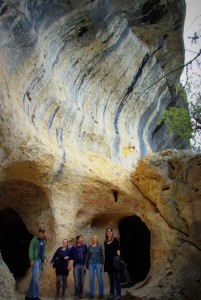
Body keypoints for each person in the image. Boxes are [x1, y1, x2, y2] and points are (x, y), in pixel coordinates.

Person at [25, 228, 47, 300]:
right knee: (36, 278)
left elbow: (44, 251)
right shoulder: (34, 240)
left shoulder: (43, 241)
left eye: (43, 232)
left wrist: (44, 258)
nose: (42, 233)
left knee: (34, 278)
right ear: (38, 233)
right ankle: (35, 296)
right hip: (35, 260)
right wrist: (31, 259)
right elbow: (31, 249)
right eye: (41, 232)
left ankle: (28, 295)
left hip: (40, 260)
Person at [68, 235, 88, 299]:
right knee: (76, 281)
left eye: (82, 238)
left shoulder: (84, 246)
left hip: (83, 266)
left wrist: (85, 265)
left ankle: (80, 293)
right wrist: (69, 263)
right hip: (76, 266)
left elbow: (87, 256)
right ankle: (77, 294)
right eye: (81, 238)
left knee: (82, 281)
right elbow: (70, 255)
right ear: (77, 240)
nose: (82, 239)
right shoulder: (74, 247)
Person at [104, 228, 121, 300]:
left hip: (114, 261)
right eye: (107, 231)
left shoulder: (115, 240)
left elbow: (118, 249)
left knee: (116, 278)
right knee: (111, 279)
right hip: (108, 262)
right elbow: (106, 252)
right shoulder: (105, 241)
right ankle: (111, 294)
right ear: (106, 233)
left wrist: (118, 258)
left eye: (110, 231)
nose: (108, 232)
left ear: (112, 232)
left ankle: (118, 294)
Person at [86, 235, 104, 299]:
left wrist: (102, 263)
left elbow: (102, 255)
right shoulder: (89, 247)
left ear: (97, 239)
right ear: (92, 239)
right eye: (93, 238)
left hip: (98, 263)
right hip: (91, 264)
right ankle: (91, 294)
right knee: (91, 278)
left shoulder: (100, 246)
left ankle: (101, 293)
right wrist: (86, 264)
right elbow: (87, 256)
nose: (94, 239)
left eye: (95, 238)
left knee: (99, 278)